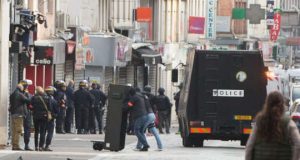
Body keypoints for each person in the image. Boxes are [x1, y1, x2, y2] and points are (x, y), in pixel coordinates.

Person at [245, 91, 300, 160]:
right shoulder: (288, 123)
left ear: (267, 104)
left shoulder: (260, 121)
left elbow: (250, 146)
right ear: (282, 104)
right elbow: (297, 144)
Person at [139, 85, 163, 151]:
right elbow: (157, 104)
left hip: (146, 115)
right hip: (152, 114)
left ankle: (140, 146)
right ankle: (160, 146)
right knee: (154, 132)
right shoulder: (153, 96)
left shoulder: (142, 96)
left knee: (141, 131)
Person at [126, 87, 150, 151]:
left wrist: (124, 105)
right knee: (141, 132)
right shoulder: (140, 96)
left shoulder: (134, 97)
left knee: (136, 131)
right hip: (145, 115)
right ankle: (145, 147)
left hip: (140, 116)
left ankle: (145, 144)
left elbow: (129, 105)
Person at [9, 84, 30, 150]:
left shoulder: (12, 94)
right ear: (20, 88)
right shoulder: (20, 94)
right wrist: (26, 94)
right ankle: (16, 146)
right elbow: (28, 100)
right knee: (18, 130)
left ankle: (14, 145)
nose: (23, 89)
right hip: (19, 114)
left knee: (14, 130)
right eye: (23, 88)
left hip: (13, 114)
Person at [31, 86, 51, 151]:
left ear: (36, 91)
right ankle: (41, 146)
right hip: (44, 116)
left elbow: (31, 106)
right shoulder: (47, 98)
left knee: (36, 131)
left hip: (36, 116)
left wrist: (34, 110)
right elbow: (49, 107)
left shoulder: (34, 98)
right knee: (43, 131)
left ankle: (36, 146)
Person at [19, 79, 34, 151]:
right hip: (26, 113)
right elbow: (30, 102)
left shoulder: (18, 93)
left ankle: (23, 144)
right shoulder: (26, 94)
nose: (27, 87)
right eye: (27, 86)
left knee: (20, 129)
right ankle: (26, 145)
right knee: (27, 129)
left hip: (20, 113)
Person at [44, 86, 58, 151]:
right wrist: (54, 116)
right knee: (50, 132)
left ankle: (40, 145)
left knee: (42, 132)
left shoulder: (42, 99)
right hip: (51, 118)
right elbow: (57, 111)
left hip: (42, 117)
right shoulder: (54, 101)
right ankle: (47, 146)